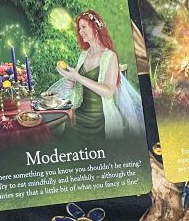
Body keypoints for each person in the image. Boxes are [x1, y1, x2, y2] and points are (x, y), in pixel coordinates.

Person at [54, 10, 145, 139]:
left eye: (84, 27)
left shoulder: (110, 56)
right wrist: (72, 82)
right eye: (79, 28)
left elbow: (108, 92)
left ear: (95, 27)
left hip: (100, 122)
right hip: (78, 116)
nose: (80, 31)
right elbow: (80, 85)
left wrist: (78, 77)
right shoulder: (84, 54)